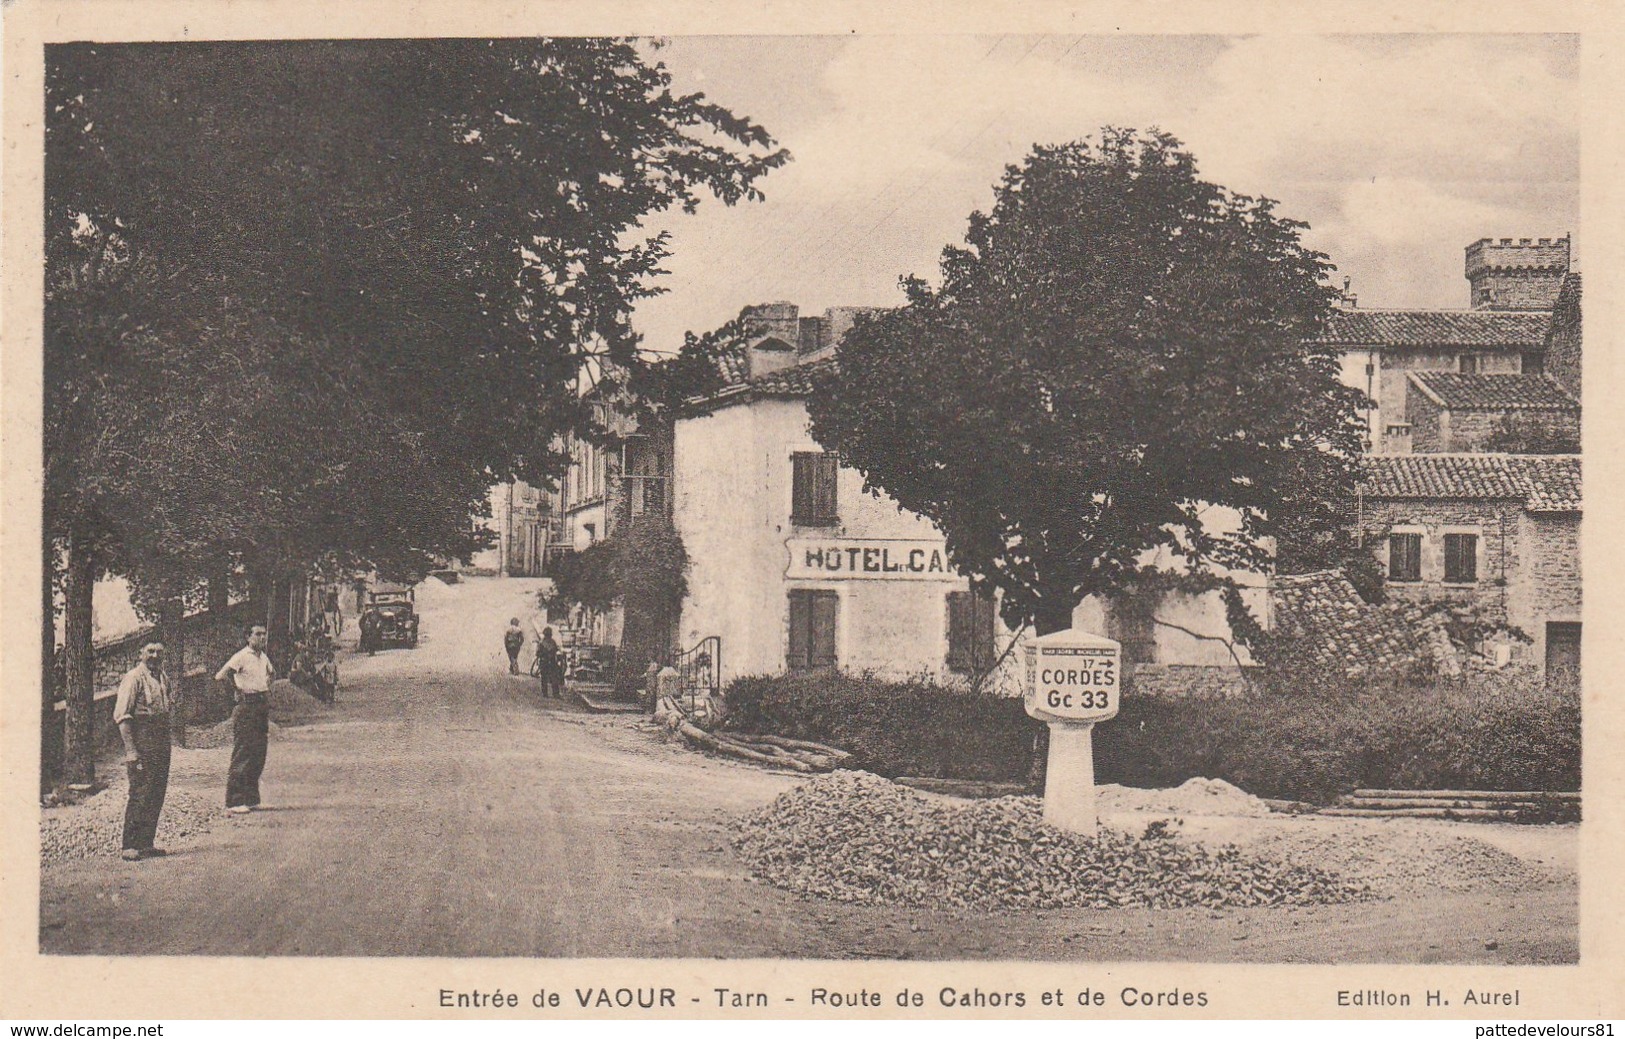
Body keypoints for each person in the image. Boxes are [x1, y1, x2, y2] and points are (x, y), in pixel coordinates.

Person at [113, 643, 173, 861]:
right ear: (141, 654)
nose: (155, 655)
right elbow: (122, 716)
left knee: (157, 789)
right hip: (142, 736)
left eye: (159, 651)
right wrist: (131, 750)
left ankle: (146, 843)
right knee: (140, 789)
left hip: (160, 736)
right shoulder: (133, 678)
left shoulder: (163, 677)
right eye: (150, 651)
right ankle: (129, 845)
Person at [215, 624, 275, 814]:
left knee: (258, 752)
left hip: (260, 704)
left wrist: (265, 686)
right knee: (243, 751)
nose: (262, 638)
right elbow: (221, 675)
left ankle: (251, 799)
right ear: (248, 637)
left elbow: (271, 673)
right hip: (246, 705)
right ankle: (234, 801)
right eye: (257, 634)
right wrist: (237, 690)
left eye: (264, 634)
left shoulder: (263, 657)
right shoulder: (241, 656)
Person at [537, 626, 564, 699]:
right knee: (554, 677)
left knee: (544, 678)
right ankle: (556, 694)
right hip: (552, 662)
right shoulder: (553, 642)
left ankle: (545, 693)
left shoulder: (541, 642)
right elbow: (556, 650)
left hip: (544, 661)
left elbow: (538, 653)